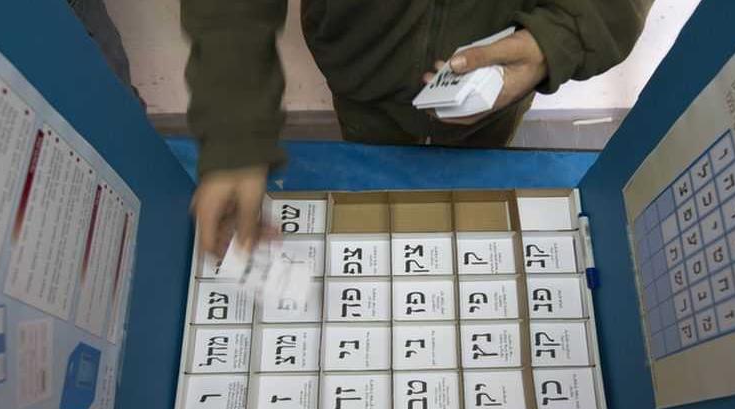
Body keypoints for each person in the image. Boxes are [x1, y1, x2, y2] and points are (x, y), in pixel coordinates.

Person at [183, 0, 653, 256]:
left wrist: (555, 41)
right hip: (360, 67)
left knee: (472, 204)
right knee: (371, 180)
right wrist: (233, 123)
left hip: (496, 76)